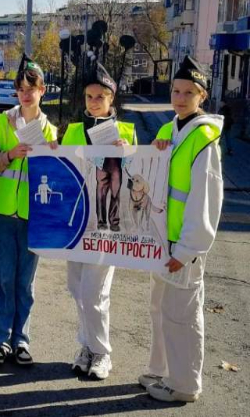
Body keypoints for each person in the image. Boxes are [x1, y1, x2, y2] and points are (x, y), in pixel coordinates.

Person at [141, 55, 223, 403]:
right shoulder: (167, 129)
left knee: (182, 316)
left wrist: (187, 251)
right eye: (176, 90)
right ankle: (161, 371)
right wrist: (155, 150)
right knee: (161, 309)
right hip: (163, 241)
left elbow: (205, 200)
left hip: (182, 248)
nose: (179, 97)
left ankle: (185, 385)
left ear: (201, 96)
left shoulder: (203, 139)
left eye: (188, 92)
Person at [61, 61, 136, 380]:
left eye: (100, 97)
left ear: (111, 100)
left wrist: (128, 152)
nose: (93, 102)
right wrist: (53, 150)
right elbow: (61, 169)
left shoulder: (126, 131)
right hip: (77, 222)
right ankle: (87, 346)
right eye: (89, 96)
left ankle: (102, 352)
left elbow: (143, 173)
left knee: (95, 292)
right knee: (76, 287)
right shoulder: (75, 130)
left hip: (107, 223)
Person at [0, 54, 57, 367]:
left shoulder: (52, 132)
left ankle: (22, 341)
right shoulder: (0, 124)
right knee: (4, 279)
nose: (26, 93)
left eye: (32, 88)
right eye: (21, 88)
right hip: (4, 214)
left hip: (34, 216)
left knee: (25, 283)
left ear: (42, 90)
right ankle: (1, 340)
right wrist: (9, 154)